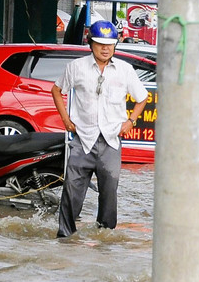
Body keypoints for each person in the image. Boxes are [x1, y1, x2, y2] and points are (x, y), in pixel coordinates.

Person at [51, 21, 149, 238]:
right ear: (90, 43)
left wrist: (130, 121)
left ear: (115, 45)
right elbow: (56, 90)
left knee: (109, 192)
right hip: (82, 140)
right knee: (71, 191)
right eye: (100, 44)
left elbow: (142, 98)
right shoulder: (76, 67)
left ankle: (105, 236)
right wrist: (66, 120)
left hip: (111, 141)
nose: (105, 49)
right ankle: (65, 237)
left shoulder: (125, 70)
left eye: (110, 44)